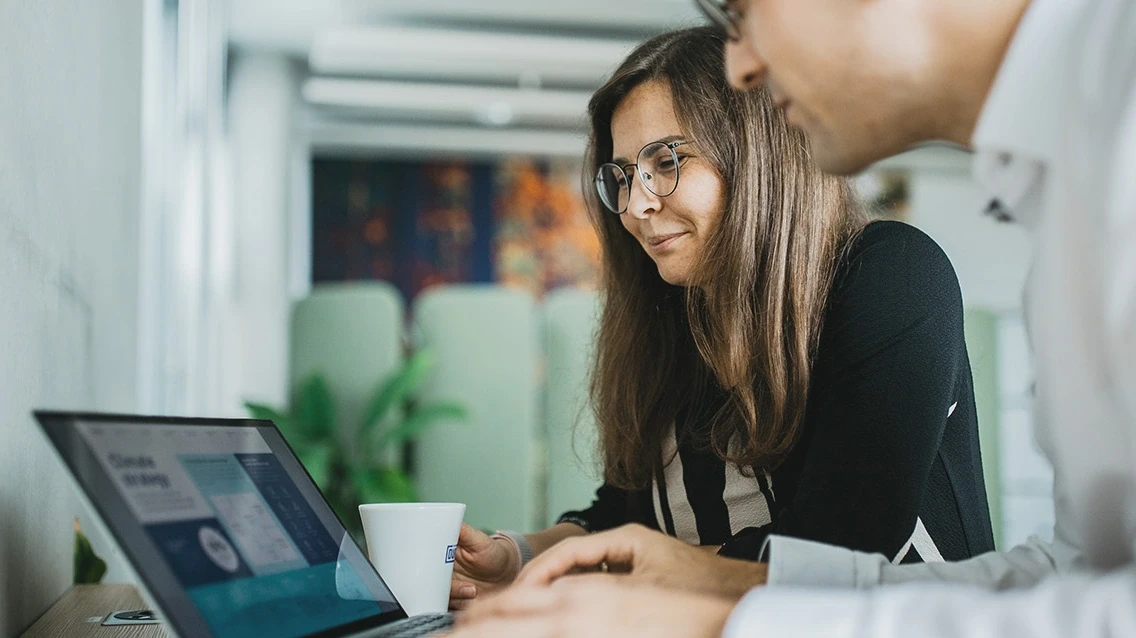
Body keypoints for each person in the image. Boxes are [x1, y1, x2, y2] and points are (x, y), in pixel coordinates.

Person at [449, 0, 1136, 636]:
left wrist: (678, 603)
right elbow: (1077, 575)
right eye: (623, 176)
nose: (633, 206)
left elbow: (844, 543)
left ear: (753, 155)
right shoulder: (676, 321)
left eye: (666, 162)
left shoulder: (889, 273)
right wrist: (526, 556)